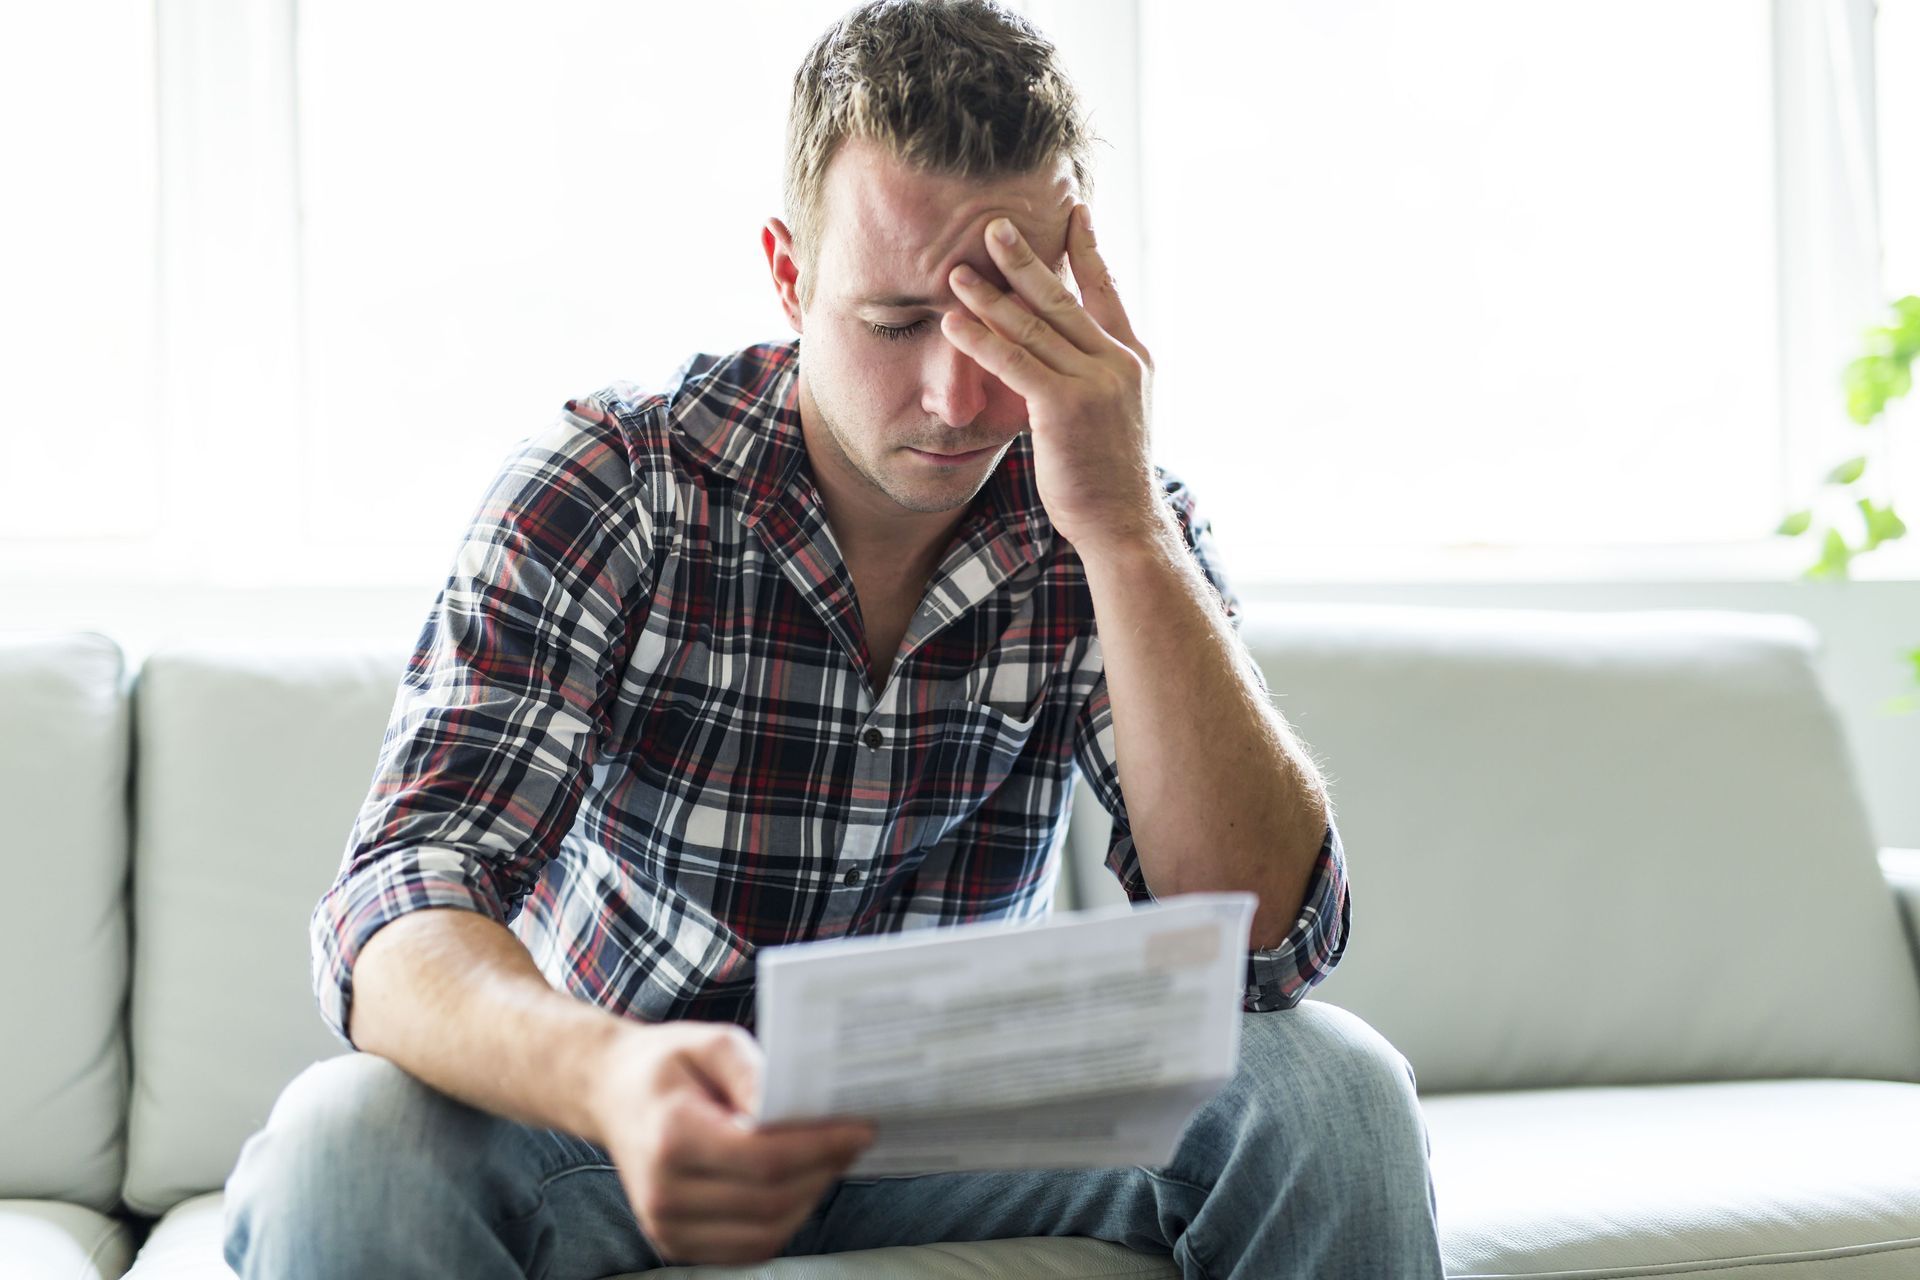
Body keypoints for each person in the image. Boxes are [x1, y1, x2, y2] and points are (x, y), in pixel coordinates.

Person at [221, 2, 1445, 1276]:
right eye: (900, 321)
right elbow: (399, 896)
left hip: (959, 1105)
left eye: (1006, 318)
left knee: (1333, 1089)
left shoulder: (1106, 504)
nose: (961, 396)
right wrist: (613, 1077)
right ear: (790, 273)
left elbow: (1265, 945)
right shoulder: (615, 484)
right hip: (618, 1102)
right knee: (347, 1132)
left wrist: (1124, 529)